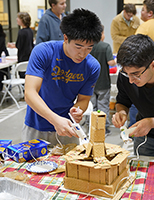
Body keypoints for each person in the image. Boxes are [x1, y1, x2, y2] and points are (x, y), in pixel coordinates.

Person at [23, 8, 103, 146]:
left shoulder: (92, 66)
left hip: (68, 128)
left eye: (89, 48)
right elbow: (30, 93)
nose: (82, 53)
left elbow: (84, 99)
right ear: (66, 38)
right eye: (78, 46)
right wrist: (55, 120)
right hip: (36, 125)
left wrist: (78, 110)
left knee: (69, 166)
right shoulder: (43, 52)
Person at [89, 25, 116, 136]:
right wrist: (116, 59)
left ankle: (92, 127)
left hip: (90, 83)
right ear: (101, 34)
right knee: (103, 106)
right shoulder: (105, 46)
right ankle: (103, 128)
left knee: (92, 106)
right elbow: (111, 63)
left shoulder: (88, 46)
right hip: (103, 82)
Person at [8, 12, 34, 78]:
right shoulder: (30, 31)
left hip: (22, 57)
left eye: (18, 18)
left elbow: (19, 45)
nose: (17, 19)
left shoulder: (21, 32)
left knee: (22, 76)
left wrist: (11, 46)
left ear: (23, 20)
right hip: (29, 56)